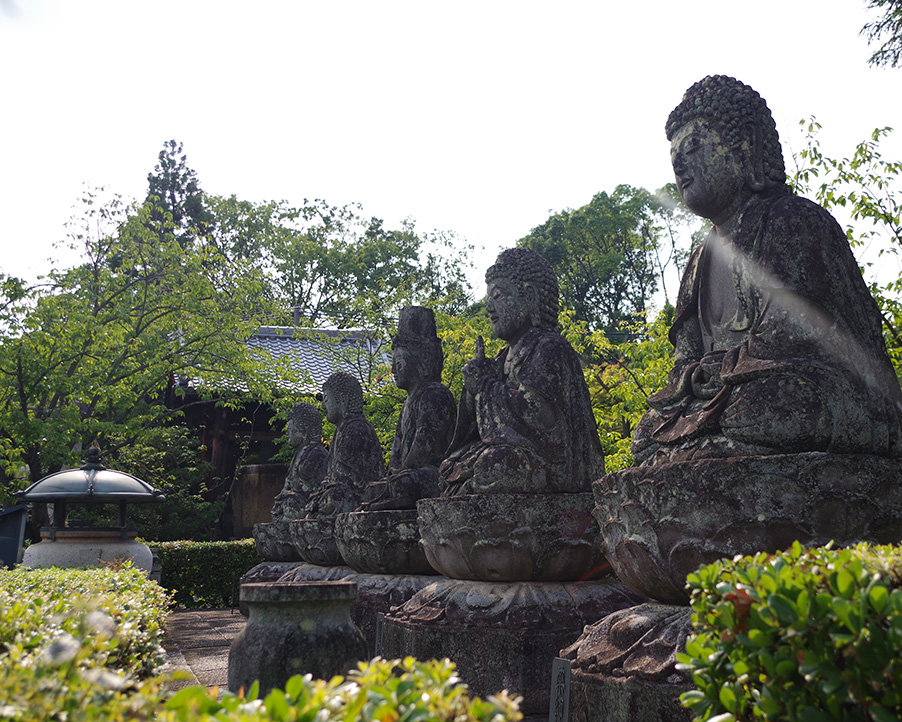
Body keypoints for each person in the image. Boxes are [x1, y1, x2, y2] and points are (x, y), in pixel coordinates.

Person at [633, 75, 902, 466]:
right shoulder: (698, 260)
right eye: (673, 154)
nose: (679, 163)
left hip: (804, 384)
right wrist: (691, 376)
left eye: (693, 145)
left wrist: (723, 367)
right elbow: (685, 357)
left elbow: (798, 333)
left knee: (767, 408)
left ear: (747, 145)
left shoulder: (791, 221)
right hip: (723, 394)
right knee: (646, 432)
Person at [440, 247, 605, 495]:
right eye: (489, 298)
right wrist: (473, 389)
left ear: (528, 297)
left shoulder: (549, 347)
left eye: (498, 295)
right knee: (449, 467)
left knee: (495, 464)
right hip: (515, 452)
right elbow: (475, 428)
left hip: (550, 462)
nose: (489, 308)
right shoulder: (501, 358)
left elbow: (542, 417)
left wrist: (484, 386)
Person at [358, 306, 456, 511]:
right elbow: (397, 447)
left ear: (421, 361)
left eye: (399, 363)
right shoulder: (408, 403)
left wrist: (404, 470)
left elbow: (425, 448)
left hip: (432, 471)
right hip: (406, 473)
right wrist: (395, 469)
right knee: (373, 488)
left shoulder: (435, 396)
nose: (393, 370)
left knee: (407, 481)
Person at [304, 371, 384, 516]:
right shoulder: (341, 430)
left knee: (332, 498)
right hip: (339, 491)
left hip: (358, 496)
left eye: (326, 399)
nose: (323, 406)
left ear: (342, 399)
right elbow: (332, 476)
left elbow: (351, 480)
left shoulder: (356, 429)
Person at [269, 402, 328, 522]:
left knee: (291, 505)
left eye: (291, 429)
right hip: (294, 501)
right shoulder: (298, 455)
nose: (287, 433)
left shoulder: (317, 453)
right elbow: (288, 484)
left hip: (307, 502)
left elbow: (309, 489)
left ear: (303, 431)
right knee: (280, 506)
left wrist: (289, 494)